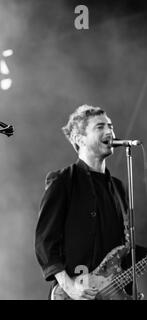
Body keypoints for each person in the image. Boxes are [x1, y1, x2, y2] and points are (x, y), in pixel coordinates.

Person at [35, 104, 146, 300]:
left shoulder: (118, 188)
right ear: (80, 139)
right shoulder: (63, 181)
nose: (110, 131)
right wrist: (69, 287)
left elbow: (122, 249)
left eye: (110, 126)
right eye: (100, 127)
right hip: (76, 291)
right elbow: (45, 242)